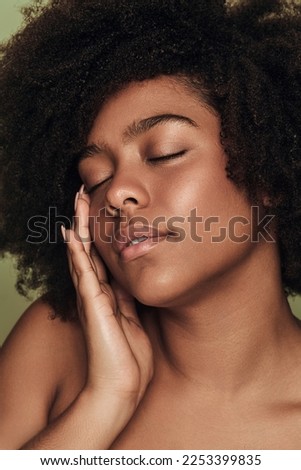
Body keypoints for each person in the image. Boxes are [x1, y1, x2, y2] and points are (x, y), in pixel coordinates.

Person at [0, 0, 301, 450]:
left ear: (268, 170)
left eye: (164, 153)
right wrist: (105, 400)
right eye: (95, 178)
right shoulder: (54, 343)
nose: (117, 193)